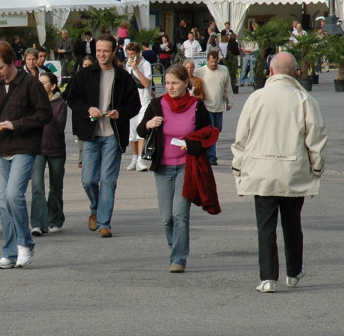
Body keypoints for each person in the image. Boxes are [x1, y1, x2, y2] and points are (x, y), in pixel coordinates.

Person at [231, 52, 327, 293]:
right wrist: (316, 166)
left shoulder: (256, 98)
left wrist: (238, 165)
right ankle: (293, 272)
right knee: (292, 224)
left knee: (265, 226)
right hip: (293, 170)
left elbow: (242, 136)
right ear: (294, 72)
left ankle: (267, 278)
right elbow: (315, 138)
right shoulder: (304, 99)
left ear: (271, 71)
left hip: (261, 171)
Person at [0, 41, 52, 269]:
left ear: (11, 62)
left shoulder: (30, 83)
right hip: (0, 148)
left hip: (24, 147)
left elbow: (44, 114)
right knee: (1, 200)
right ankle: (9, 253)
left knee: (13, 195)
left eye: (0, 68)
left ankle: (25, 244)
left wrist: (16, 124)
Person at [137, 63, 211, 273]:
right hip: (163, 167)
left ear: (186, 83)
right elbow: (141, 130)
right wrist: (149, 124)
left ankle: (178, 258)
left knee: (180, 213)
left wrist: (192, 145)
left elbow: (208, 134)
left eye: (174, 83)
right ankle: (175, 247)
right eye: (167, 83)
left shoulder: (197, 106)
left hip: (187, 166)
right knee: (166, 217)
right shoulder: (156, 105)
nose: (170, 87)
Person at [66, 34, 141, 237]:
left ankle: (104, 223)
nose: (101, 54)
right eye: (98, 51)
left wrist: (121, 113)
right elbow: (71, 99)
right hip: (90, 134)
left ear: (114, 51)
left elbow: (135, 105)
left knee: (108, 180)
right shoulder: (84, 74)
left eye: (105, 51)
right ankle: (95, 208)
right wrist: (88, 109)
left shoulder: (123, 77)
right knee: (88, 180)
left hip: (113, 135)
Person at [30, 72, 67, 236]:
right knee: (37, 186)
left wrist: (46, 110)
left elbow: (59, 127)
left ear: (52, 86)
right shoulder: (32, 103)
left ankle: (55, 219)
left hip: (56, 149)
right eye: (39, 83)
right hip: (36, 149)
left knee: (55, 186)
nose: (40, 85)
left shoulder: (60, 105)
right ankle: (38, 223)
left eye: (44, 83)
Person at [195, 50, 232, 165]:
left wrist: (230, 101)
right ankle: (211, 156)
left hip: (219, 106)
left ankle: (208, 153)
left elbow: (228, 87)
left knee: (217, 130)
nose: (213, 64)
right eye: (211, 62)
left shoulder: (224, 70)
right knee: (211, 131)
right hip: (206, 106)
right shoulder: (200, 72)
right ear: (207, 61)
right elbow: (193, 84)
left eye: (215, 62)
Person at [124, 42, 153, 172]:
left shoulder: (145, 65)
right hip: (132, 102)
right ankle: (134, 158)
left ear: (138, 54)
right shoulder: (127, 65)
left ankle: (141, 159)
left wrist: (136, 69)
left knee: (141, 130)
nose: (130, 57)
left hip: (144, 101)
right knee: (132, 133)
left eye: (132, 54)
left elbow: (146, 83)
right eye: (128, 54)